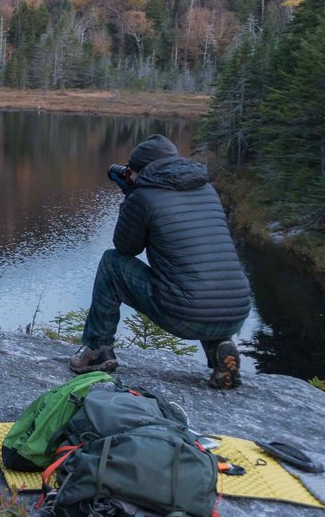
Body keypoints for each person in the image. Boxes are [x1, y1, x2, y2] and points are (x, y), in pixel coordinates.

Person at [68, 134, 252, 389]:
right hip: (236, 309)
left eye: (130, 171)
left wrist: (130, 199)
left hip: (186, 314)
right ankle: (219, 347)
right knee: (203, 275)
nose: (128, 175)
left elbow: (126, 248)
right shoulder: (207, 189)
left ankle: (97, 351)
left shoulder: (143, 197)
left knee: (111, 264)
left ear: (139, 171)